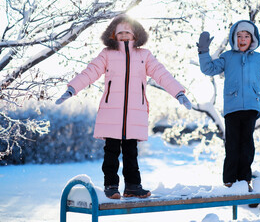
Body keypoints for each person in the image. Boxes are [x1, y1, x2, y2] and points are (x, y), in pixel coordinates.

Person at [56, 14, 192, 199]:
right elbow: (90, 72)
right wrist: (72, 89)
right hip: (111, 111)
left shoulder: (144, 55)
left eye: (128, 32)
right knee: (111, 152)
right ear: (113, 35)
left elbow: (162, 75)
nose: (124, 35)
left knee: (131, 153)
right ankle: (111, 185)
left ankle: (133, 186)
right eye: (120, 33)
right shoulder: (107, 54)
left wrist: (179, 93)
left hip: (135, 113)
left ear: (136, 34)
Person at [196, 20, 260, 191]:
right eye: (239, 36)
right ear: (234, 38)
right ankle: (229, 180)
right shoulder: (227, 57)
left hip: (252, 107)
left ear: (252, 39)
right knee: (232, 145)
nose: (242, 39)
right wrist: (203, 51)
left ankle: (244, 181)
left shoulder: (258, 58)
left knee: (247, 146)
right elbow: (208, 69)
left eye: (246, 36)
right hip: (232, 107)